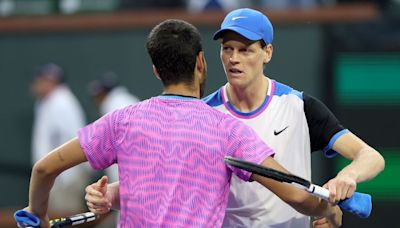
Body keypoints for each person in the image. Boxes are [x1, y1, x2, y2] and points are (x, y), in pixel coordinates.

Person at [24, 19, 341, 228]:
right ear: (201, 63)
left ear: (156, 71)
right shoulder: (227, 129)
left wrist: (37, 216)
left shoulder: (123, 120)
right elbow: (299, 197)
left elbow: (43, 169)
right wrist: (327, 207)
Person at [204, 8, 385, 227]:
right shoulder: (204, 115)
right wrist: (330, 210)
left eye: (245, 50)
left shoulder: (299, 107)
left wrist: (347, 176)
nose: (233, 59)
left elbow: (371, 156)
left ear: (267, 53)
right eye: (227, 49)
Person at [30, 63, 91, 215]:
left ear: (51, 81)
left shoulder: (61, 102)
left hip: (65, 175)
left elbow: (75, 139)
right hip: (57, 173)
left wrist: (63, 175)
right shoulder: (50, 102)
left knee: (64, 218)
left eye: (41, 80)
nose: (36, 84)